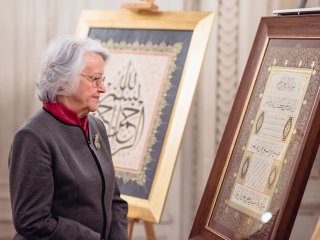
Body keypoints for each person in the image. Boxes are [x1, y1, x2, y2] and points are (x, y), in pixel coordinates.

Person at [8, 36, 128, 240]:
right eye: (94, 79)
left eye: (102, 79)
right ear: (64, 81)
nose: (103, 88)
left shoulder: (96, 126)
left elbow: (114, 200)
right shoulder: (32, 137)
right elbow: (31, 220)